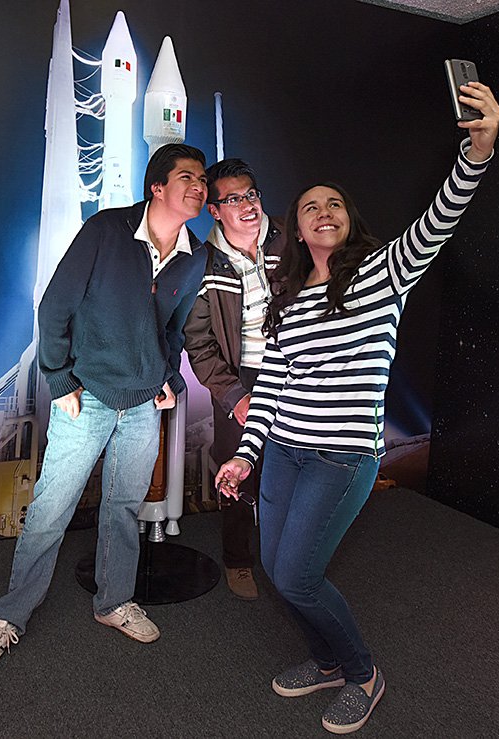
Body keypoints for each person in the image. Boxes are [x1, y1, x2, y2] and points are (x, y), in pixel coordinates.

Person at [215, 82, 499, 733]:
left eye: (334, 203)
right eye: (310, 205)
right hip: (284, 452)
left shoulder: (382, 273)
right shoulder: (287, 300)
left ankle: (362, 673)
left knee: (297, 574)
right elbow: (273, 391)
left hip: (340, 460)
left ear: (348, 220)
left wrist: (477, 155)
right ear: (296, 225)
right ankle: (324, 662)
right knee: (277, 568)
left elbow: (439, 218)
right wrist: (246, 456)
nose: (323, 211)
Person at [0, 143, 209, 674]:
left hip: (143, 403)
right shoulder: (106, 231)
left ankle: (114, 601)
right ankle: (9, 615)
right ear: (157, 186)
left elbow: (174, 328)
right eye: (187, 177)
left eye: (203, 181)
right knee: (51, 511)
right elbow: (55, 305)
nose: (199, 187)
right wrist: (59, 380)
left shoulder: (196, 256)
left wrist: (167, 377)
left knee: (123, 507)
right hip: (88, 396)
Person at [184, 158, 283, 600]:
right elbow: (199, 343)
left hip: (295, 370)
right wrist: (234, 395)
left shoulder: (291, 241)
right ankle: (238, 560)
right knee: (237, 470)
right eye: (234, 199)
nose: (247, 206)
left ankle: (287, 560)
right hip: (240, 377)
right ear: (215, 210)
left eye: (252, 195)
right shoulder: (204, 264)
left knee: (291, 465)